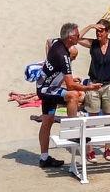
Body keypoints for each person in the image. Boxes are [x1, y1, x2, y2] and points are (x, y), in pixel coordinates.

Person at [36, 23, 87, 168]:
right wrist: (88, 87)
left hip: (47, 89)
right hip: (46, 90)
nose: (74, 59)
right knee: (73, 95)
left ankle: (44, 158)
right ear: (70, 38)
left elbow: (50, 41)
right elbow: (70, 86)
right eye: (74, 56)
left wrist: (89, 26)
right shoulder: (63, 57)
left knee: (47, 122)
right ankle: (73, 131)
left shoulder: (58, 43)